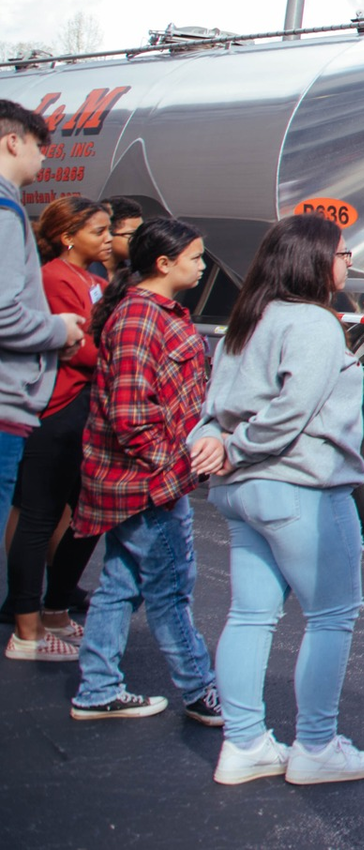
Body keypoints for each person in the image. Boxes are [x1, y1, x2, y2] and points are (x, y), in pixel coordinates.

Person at [190, 212, 364, 787]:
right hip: (300, 487)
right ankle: (316, 746)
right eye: (343, 254)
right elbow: (294, 411)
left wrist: (219, 446)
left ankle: (243, 742)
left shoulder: (248, 320)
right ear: (315, 261)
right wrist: (239, 448)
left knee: (249, 615)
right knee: (333, 616)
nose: (348, 263)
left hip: (240, 492)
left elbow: (211, 410)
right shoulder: (316, 324)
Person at [68, 217, 223, 725]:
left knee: (120, 582)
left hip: (140, 481)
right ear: (164, 263)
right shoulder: (140, 318)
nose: (202, 266)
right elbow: (131, 414)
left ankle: (97, 688)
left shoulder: (149, 311)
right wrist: (168, 470)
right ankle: (201, 691)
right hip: (146, 485)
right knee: (171, 588)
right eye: (196, 258)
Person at [5, 197, 110, 660]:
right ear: (69, 235)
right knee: (38, 518)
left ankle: (54, 610)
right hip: (59, 409)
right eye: (100, 230)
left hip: (87, 410)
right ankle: (26, 626)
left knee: (86, 517)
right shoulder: (53, 278)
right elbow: (78, 348)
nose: (108, 239)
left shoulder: (94, 280)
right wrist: (113, 349)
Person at [0, 101, 87, 557]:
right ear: (13, 141)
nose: (44, 157)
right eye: (39, 145)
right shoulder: (5, 211)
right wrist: (58, 330)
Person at [102, 197, 144, 275]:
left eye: (141, 233)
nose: (140, 240)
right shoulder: (86, 273)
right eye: (132, 234)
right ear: (108, 233)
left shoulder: (135, 272)